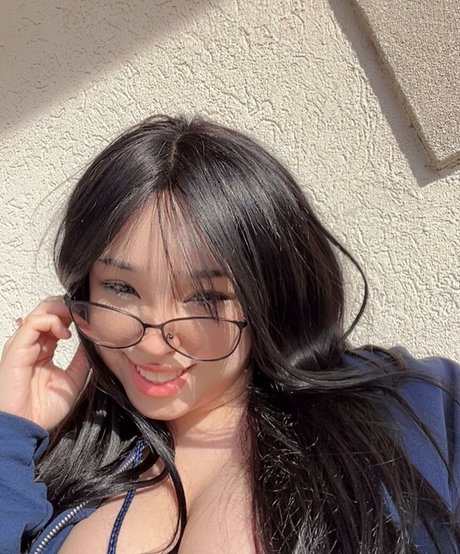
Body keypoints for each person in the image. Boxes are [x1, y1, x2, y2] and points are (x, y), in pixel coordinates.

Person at [0, 114, 458, 554]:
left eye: (205, 297)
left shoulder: (412, 409)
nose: (152, 344)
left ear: (270, 293)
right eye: (121, 288)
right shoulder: (69, 458)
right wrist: (11, 431)